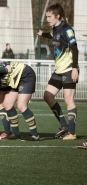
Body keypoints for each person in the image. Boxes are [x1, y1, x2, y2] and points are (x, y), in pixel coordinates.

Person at [37, 3, 79, 140]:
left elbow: (74, 48)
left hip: (68, 70)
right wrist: (43, 34)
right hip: (58, 70)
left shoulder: (67, 30)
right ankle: (64, 125)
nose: (47, 19)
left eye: (49, 17)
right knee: (48, 96)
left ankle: (72, 133)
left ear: (57, 16)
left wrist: (74, 68)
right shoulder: (55, 29)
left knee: (69, 101)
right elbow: (53, 36)